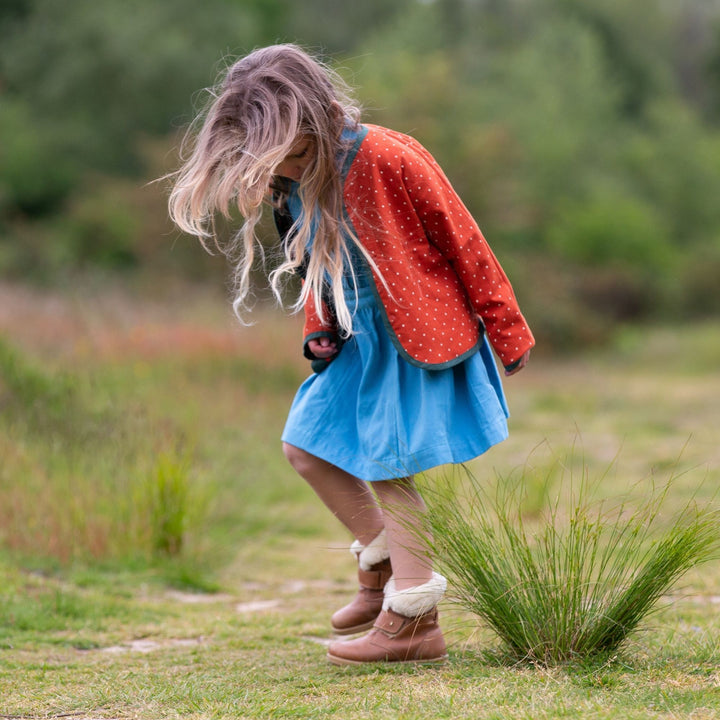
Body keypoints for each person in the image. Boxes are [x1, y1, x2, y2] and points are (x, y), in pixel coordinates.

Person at [167, 44, 534, 666]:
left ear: (308, 117)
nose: (274, 166)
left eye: (282, 149)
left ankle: (415, 620)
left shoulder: (387, 155)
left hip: (412, 336)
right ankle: (386, 560)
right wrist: (320, 327)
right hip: (355, 339)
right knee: (304, 445)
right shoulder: (291, 182)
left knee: (389, 469)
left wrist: (507, 328)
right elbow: (317, 263)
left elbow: (462, 236)